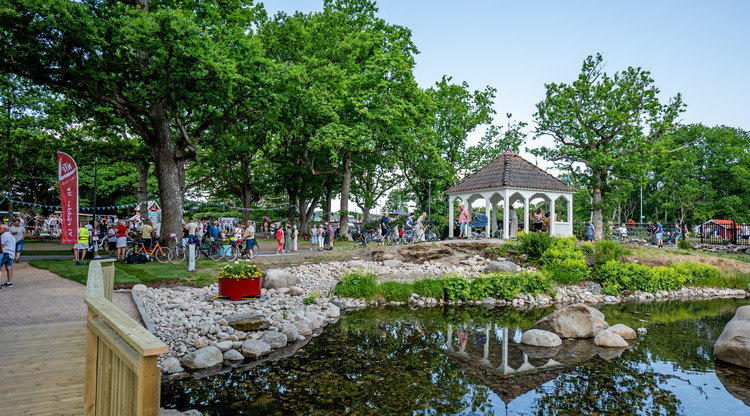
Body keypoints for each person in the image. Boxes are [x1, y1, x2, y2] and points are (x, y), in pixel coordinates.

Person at [0, 224, 16, 289]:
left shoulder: (4, 235)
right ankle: (9, 282)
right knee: (9, 268)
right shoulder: (12, 236)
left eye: (0, 228)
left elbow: (1, 245)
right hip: (11, 253)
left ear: (5, 229)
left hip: (5, 253)